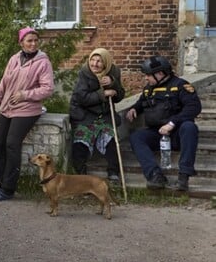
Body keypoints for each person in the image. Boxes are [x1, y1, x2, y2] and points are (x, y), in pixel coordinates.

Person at [0, 27, 54, 201]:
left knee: (12, 144)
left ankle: (8, 189)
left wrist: (25, 95)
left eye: (35, 40)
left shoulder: (43, 62)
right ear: (21, 42)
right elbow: (4, 83)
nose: (33, 44)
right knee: (0, 144)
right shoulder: (14, 59)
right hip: (7, 108)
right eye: (29, 40)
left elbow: (47, 89)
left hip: (27, 110)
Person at [125, 55, 202, 191]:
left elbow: (194, 107)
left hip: (177, 133)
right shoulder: (149, 89)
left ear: (160, 73)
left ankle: (184, 176)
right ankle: (155, 176)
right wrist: (134, 109)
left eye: (148, 75)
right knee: (136, 136)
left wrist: (172, 123)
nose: (146, 78)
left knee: (190, 127)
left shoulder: (180, 85)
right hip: (157, 134)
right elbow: (142, 102)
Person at [69, 48, 125, 183]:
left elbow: (120, 95)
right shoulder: (84, 73)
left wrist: (113, 84)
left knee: (111, 140)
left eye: (99, 61)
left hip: (104, 116)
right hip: (84, 115)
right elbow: (82, 97)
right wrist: (103, 94)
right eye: (93, 60)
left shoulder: (114, 72)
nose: (94, 64)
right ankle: (81, 177)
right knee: (80, 142)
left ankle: (113, 173)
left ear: (106, 63)